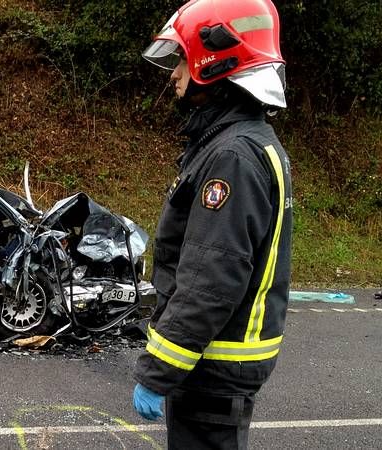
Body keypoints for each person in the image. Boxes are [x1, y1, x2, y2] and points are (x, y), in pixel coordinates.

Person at [132, 0, 293, 448]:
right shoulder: (245, 143)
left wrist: (158, 371)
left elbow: (211, 279)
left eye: (182, 60)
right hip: (217, 368)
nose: (174, 74)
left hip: (212, 373)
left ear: (216, 63)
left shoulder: (232, 157)